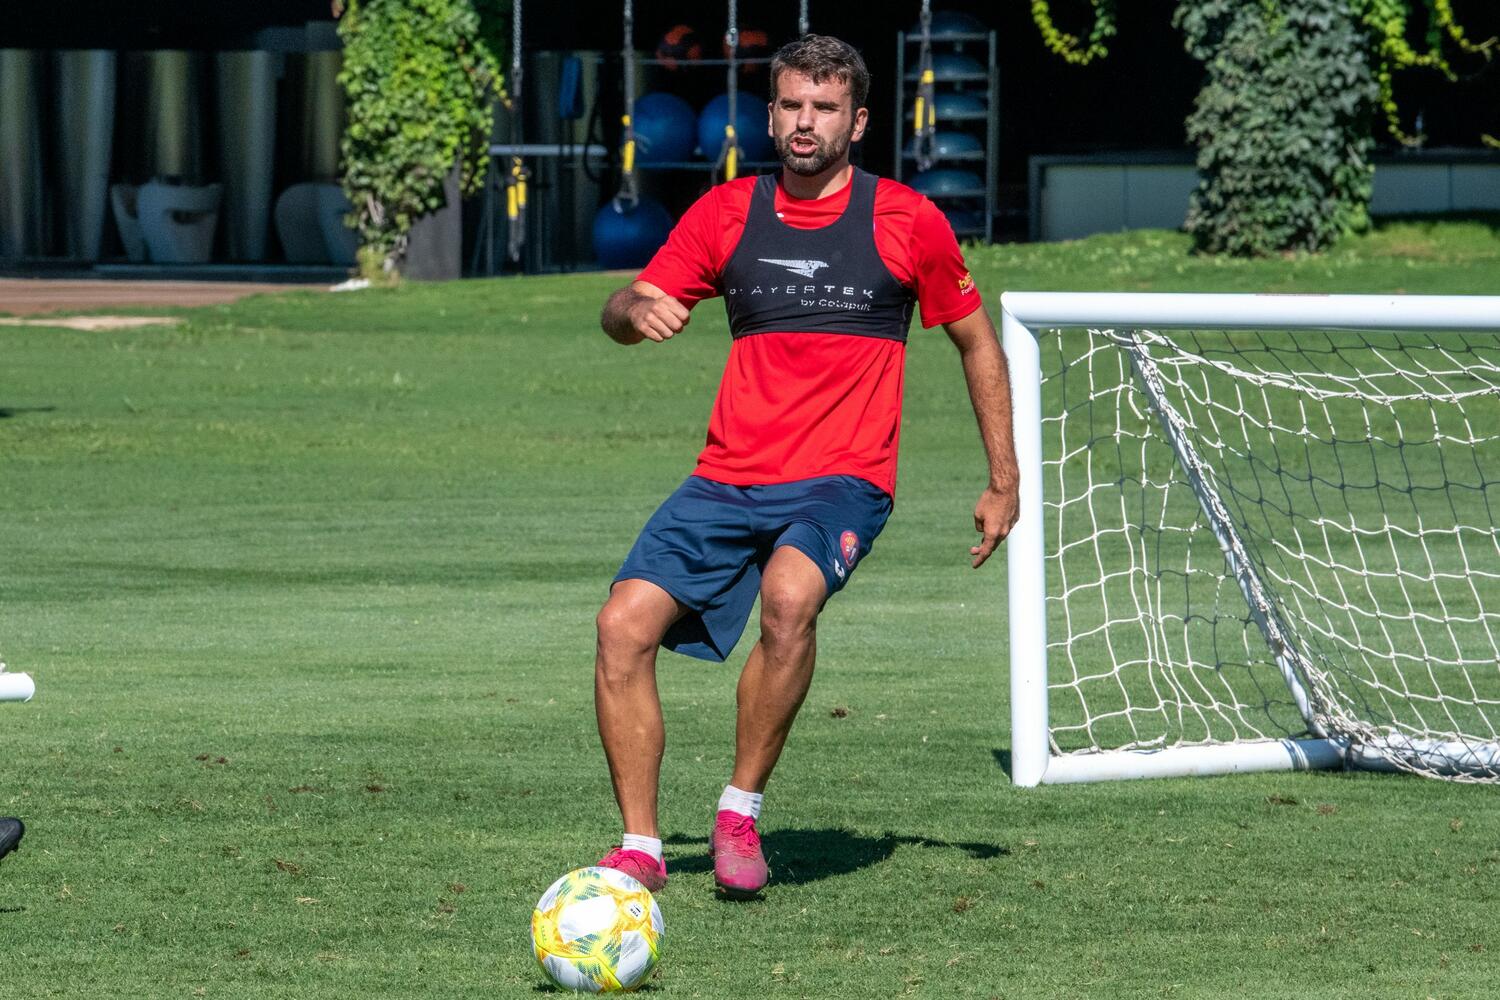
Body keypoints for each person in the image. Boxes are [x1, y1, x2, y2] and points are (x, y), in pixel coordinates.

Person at [593, 34, 1019, 897]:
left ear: (857, 122)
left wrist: (1003, 481)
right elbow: (623, 305)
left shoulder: (907, 219)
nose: (804, 121)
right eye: (791, 104)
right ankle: (640, 847)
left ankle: (738, 811)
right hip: (726, 476)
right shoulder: (726, 213)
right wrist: (633, 311)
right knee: (620, 626)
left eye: (825, 108)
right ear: (770, 115)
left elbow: (977, 342)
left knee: (789, 601)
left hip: (843, 478)